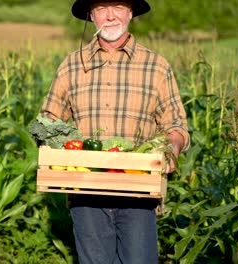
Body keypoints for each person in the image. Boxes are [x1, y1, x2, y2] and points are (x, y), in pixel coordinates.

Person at [38, 0, 190, 263]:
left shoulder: (156, 66)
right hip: (85, 193)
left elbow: (176, 125)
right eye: (101, 8)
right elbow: (47, 122)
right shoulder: (72, 65)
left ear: (130, 13)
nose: (110, 16)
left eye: (118, 6)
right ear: (91, 16)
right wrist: (57, 147)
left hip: (139, 191)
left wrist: (172, 148)